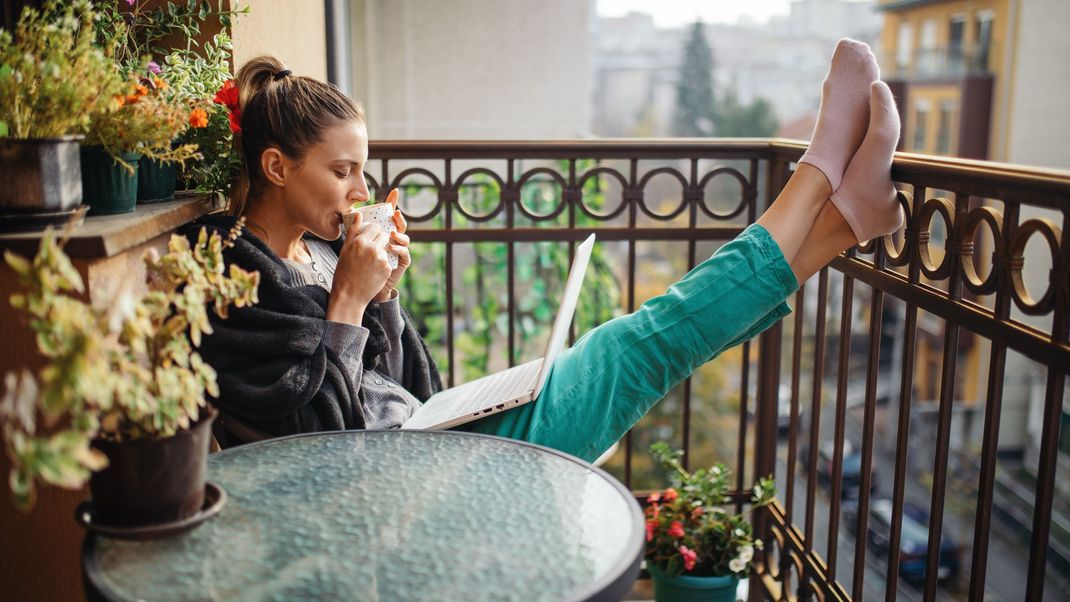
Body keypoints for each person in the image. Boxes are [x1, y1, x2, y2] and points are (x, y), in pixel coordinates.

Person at [187, 40, 902, 464]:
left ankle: (841, 221)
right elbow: (321, 447)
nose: (360, 189)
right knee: (638, 346)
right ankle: (816, 177)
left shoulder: (314, 253)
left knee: (646, 347)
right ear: (278, 168)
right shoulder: (236, 279)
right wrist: (350, 299)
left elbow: (407, 384)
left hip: (436, 439)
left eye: (362, 169)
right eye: (341, 172)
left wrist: (383, 298)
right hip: (419, 479)